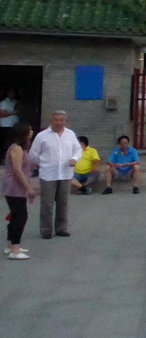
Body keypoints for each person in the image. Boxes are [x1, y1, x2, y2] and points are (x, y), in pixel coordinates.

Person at [28, 110, 81, 239]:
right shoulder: (42, 136)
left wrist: (74, 158)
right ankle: (46, 230)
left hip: (65, 174)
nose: (59, 122)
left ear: (65, 121)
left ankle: (61, 228)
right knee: (47, 204)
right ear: (51, 120)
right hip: (48, 175)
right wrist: (44, 163)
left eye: (62, 120)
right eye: (56, 119)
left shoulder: (70, 134)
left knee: (63, 203)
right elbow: (33, 154)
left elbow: (78, 149)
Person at [3, 123, 36, 259]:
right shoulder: (16, 148)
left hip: (18, 187)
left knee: (16, 215)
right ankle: (15, 250)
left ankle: (10, 245)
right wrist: (28, 189)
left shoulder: (22, 148)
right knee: (20, 217)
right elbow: (17, 170)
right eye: (30, 130)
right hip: (14, 187)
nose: (32, 132)